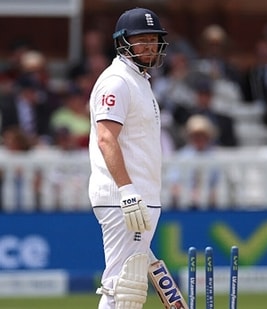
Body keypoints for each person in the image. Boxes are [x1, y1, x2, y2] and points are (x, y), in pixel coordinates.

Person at [87, 7, 168, 309]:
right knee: (123, 286)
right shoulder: (117, 81)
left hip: (140, 195)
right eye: (141, 40)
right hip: (123, 196)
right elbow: (106, 137)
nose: (149, 46)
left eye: (153, 40)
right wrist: (127, 191)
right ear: (124, 43)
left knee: (127, 286)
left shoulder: (140, 80)